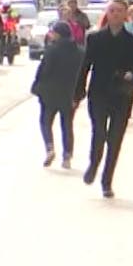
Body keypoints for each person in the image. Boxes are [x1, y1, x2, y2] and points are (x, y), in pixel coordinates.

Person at [74, 0, 133, 199]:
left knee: (115, 139)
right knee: (99, 133)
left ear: (126, 15)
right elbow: (85, 67)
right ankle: (94, 163)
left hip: (122, 96)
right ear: (108, 14)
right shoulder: (95, 39)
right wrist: (78, 92)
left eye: (119, 11)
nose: (115, 14)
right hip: (98, 94)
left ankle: (107, 181)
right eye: (112, 10)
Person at [32, 21, 84, 167]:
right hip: (69, 93)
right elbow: (82, 76)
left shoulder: (52, 50)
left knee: (45, 121)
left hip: (50, 92)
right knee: (67, 124)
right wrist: (78, 95)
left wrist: (37, 87)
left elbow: (44, 71)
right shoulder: (80, 52)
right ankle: (67, 156)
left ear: (58, 34)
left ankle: (49, 147)